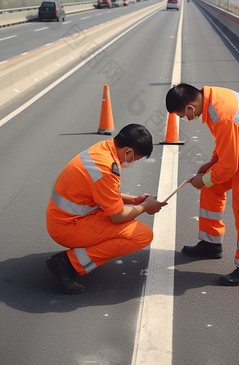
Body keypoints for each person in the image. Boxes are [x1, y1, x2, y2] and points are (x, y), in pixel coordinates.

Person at [165, 84, 239, 286]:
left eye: (183, 115)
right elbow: (227, 141)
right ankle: (211, 243)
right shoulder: (212, 100)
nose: (186, 119)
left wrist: (203, 180)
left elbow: (228, 166)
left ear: (190, 107)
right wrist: (213, 161)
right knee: (212, 186)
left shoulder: (222, 113)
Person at [46, 124, 166, 294]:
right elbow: (117, 216)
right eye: (135, 159)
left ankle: (73, 257)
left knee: (128, 222)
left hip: (63, 218)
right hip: (67, 227)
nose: (132, 163)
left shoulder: (103, 150)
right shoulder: (106, 170)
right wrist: (145, 207)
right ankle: (68, 263)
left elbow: (103, 193)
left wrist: (133, 200)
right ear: (128, 152)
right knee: (141, 235)